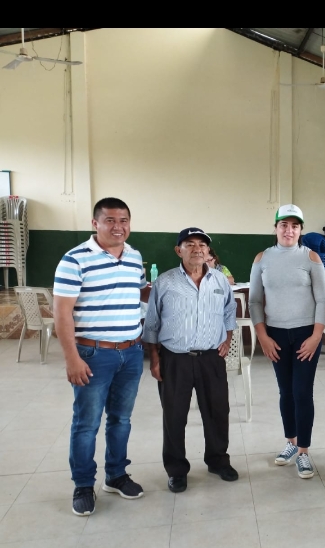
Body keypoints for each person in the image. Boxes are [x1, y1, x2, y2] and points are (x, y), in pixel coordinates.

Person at [53, 197, 146, 516]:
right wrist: (72, 358)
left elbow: (137, 293)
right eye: (110, 220)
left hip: (131, 352)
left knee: (121, 419)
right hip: (93, 353)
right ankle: (83, 484)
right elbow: (61, 313)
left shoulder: (135, 257)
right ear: (95, 223)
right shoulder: (74, 259)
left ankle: (116, 475)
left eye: (124, 220)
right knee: (87, 423)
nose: (118, 227)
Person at [143, 228, 239, 491]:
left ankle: (218, 460)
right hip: (175, 359)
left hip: (211, 358)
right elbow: (151, 323)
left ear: (208, 251)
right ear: (179, 250)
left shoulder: (220, 281)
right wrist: (155, 359)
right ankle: (176, 470)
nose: (197, 249)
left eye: (202, 245)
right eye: (190, 244)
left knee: (218, 412)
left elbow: (229, 311)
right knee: (174, 415)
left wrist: (227, 339)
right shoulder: (165, 282)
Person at [249, 204, 325, 478]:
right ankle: (291, 442)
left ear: (300, 230)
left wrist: (316, 336)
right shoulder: (262, 258)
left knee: (302, 392)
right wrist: (263, 336)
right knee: (286, 391)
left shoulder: (311, 258)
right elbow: (255, 301)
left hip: (306, 334)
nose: (289, 230)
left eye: (295, 226)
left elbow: (323, 300)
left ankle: (303, 452)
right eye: (284, 225)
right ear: (275, 228)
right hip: (276, 335)